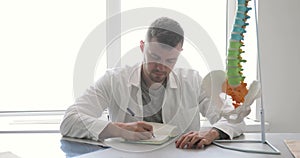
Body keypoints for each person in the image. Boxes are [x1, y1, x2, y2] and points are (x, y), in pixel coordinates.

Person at [60, 17, 245, 149]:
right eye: (154, 57)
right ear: (142, 47)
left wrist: (211, 133)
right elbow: (69, 121)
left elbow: (235, 118)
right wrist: (121, 129)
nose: (161, 67)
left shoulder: (194, 81)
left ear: (180, 52)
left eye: (170, 60)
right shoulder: (114, 80)